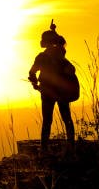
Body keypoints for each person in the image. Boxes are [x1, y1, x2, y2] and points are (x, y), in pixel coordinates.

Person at [28, 20, 77, 153]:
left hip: (47, 91)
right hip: (62, 91)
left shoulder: (41, 57)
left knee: (47, 121)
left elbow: (32, 72)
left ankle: (44, 148)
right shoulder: (60, 52)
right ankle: (71, 146)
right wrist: (54, 31)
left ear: (44, 42)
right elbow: (61, 42)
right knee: (67, 119)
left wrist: (35, 84)